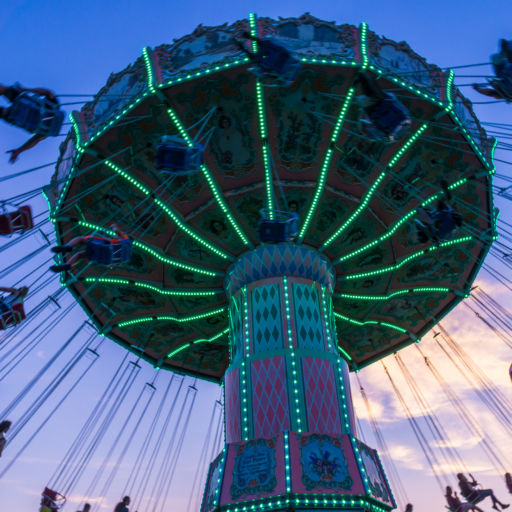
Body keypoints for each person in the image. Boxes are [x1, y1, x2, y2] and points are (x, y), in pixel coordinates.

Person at [0, 83, 63, 163]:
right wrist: (19, 151)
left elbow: (48, 92)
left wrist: (25, 89)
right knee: (7, 94)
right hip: (15, 114)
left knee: (7, 91)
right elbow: (35, 141)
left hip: (21, 104)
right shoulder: (45, 132)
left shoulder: (54, 108)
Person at [50, 224, 131, 273]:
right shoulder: (125, 257)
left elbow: (117, 230)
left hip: (103, 247)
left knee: (81, 239)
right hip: (102, 258)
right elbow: (109, 265)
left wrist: (114, 226)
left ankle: (68, 246)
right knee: (80, 255)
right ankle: (67, 265)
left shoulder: (126, 240)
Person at [355, 71, 411, 141]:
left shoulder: (405, 120)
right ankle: (363, 76)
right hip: (380, 106)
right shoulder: (392, 133)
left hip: (380, 106)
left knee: (369, 94)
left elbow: (400, 108)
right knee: (370, 94)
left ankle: (363, 76)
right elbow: (369, 134)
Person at [415, 181, 462, 245]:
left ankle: (447, 199)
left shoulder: (436, 234)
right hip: (449, 220)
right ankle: (447, 199)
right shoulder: (430, 229)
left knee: (442, 210)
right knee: (438, 211)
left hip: (451, 221)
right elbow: (418, 221)